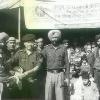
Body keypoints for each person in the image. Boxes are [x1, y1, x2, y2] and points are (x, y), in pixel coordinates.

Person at [5, 34, 42, 99]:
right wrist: (13, 71)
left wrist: (25, 73)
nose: (29, 44)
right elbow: (8, 63)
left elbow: (37, 67)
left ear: (34, 43)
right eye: (27, 42)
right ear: (24, 43)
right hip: (23, 82)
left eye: (31, 42)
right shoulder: (19, 53)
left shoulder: (38, 54)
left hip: (34, 82)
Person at [42, 30, 69, 100]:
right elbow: (41, 61)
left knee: (60, 96)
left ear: (59, 38)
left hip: (60, 74)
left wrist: (67, 77)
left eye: (56, 37)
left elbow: (67, 63)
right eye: (53, 38)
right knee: (48, 96)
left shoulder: (63, 48)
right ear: (50, 38)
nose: (54, 39)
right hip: (49, 74)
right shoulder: (46, 48)